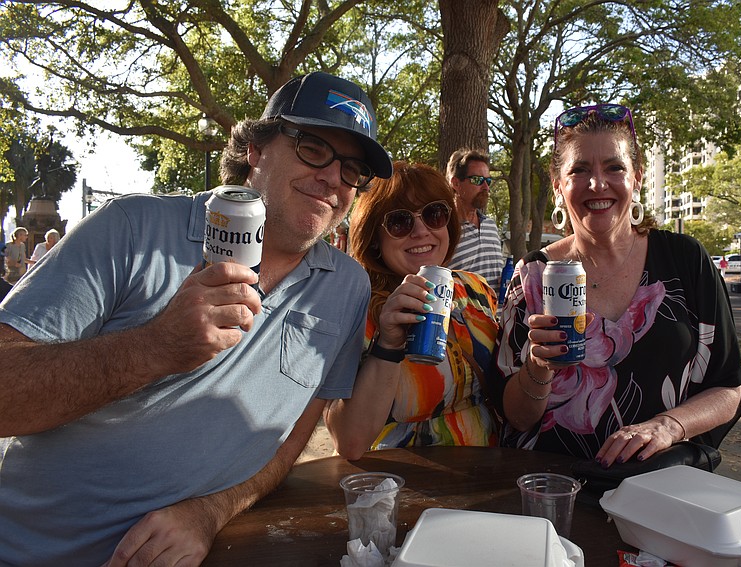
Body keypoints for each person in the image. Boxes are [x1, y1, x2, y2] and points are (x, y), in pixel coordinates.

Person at [0, 71, 392, 566]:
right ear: (255, 148)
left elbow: (293, 435)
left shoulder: (347, 286)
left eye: (353, 168)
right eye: (313, 147)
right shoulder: (132, 228)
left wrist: (211, 511)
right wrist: (154, 348)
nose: (334, 178)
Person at [491, 103, 741, 469]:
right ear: (558, 185)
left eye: (615, 167)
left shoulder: (685, 260)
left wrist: (667, 426)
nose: (597, 184)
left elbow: (728, 388)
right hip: (555, 488)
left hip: (661, 487)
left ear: (637, 177)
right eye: (579, 170)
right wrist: (537, 367)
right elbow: (516, 418)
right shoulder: (532, 274)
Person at [324, 161, 500, 459]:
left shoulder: (477, 291)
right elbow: (350, 442)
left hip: (487, 477)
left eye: (435, 214)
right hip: (403, 483)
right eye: (399, 222)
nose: (421, 231)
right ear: (375, 240)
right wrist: (389, 345)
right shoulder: (355, 311)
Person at [445, 148, 504, 292]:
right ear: (456, 184)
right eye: (478, 180)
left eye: (488, 181)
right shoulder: (445, 230)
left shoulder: (491, 226)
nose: (486, 187)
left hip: (498, 314)